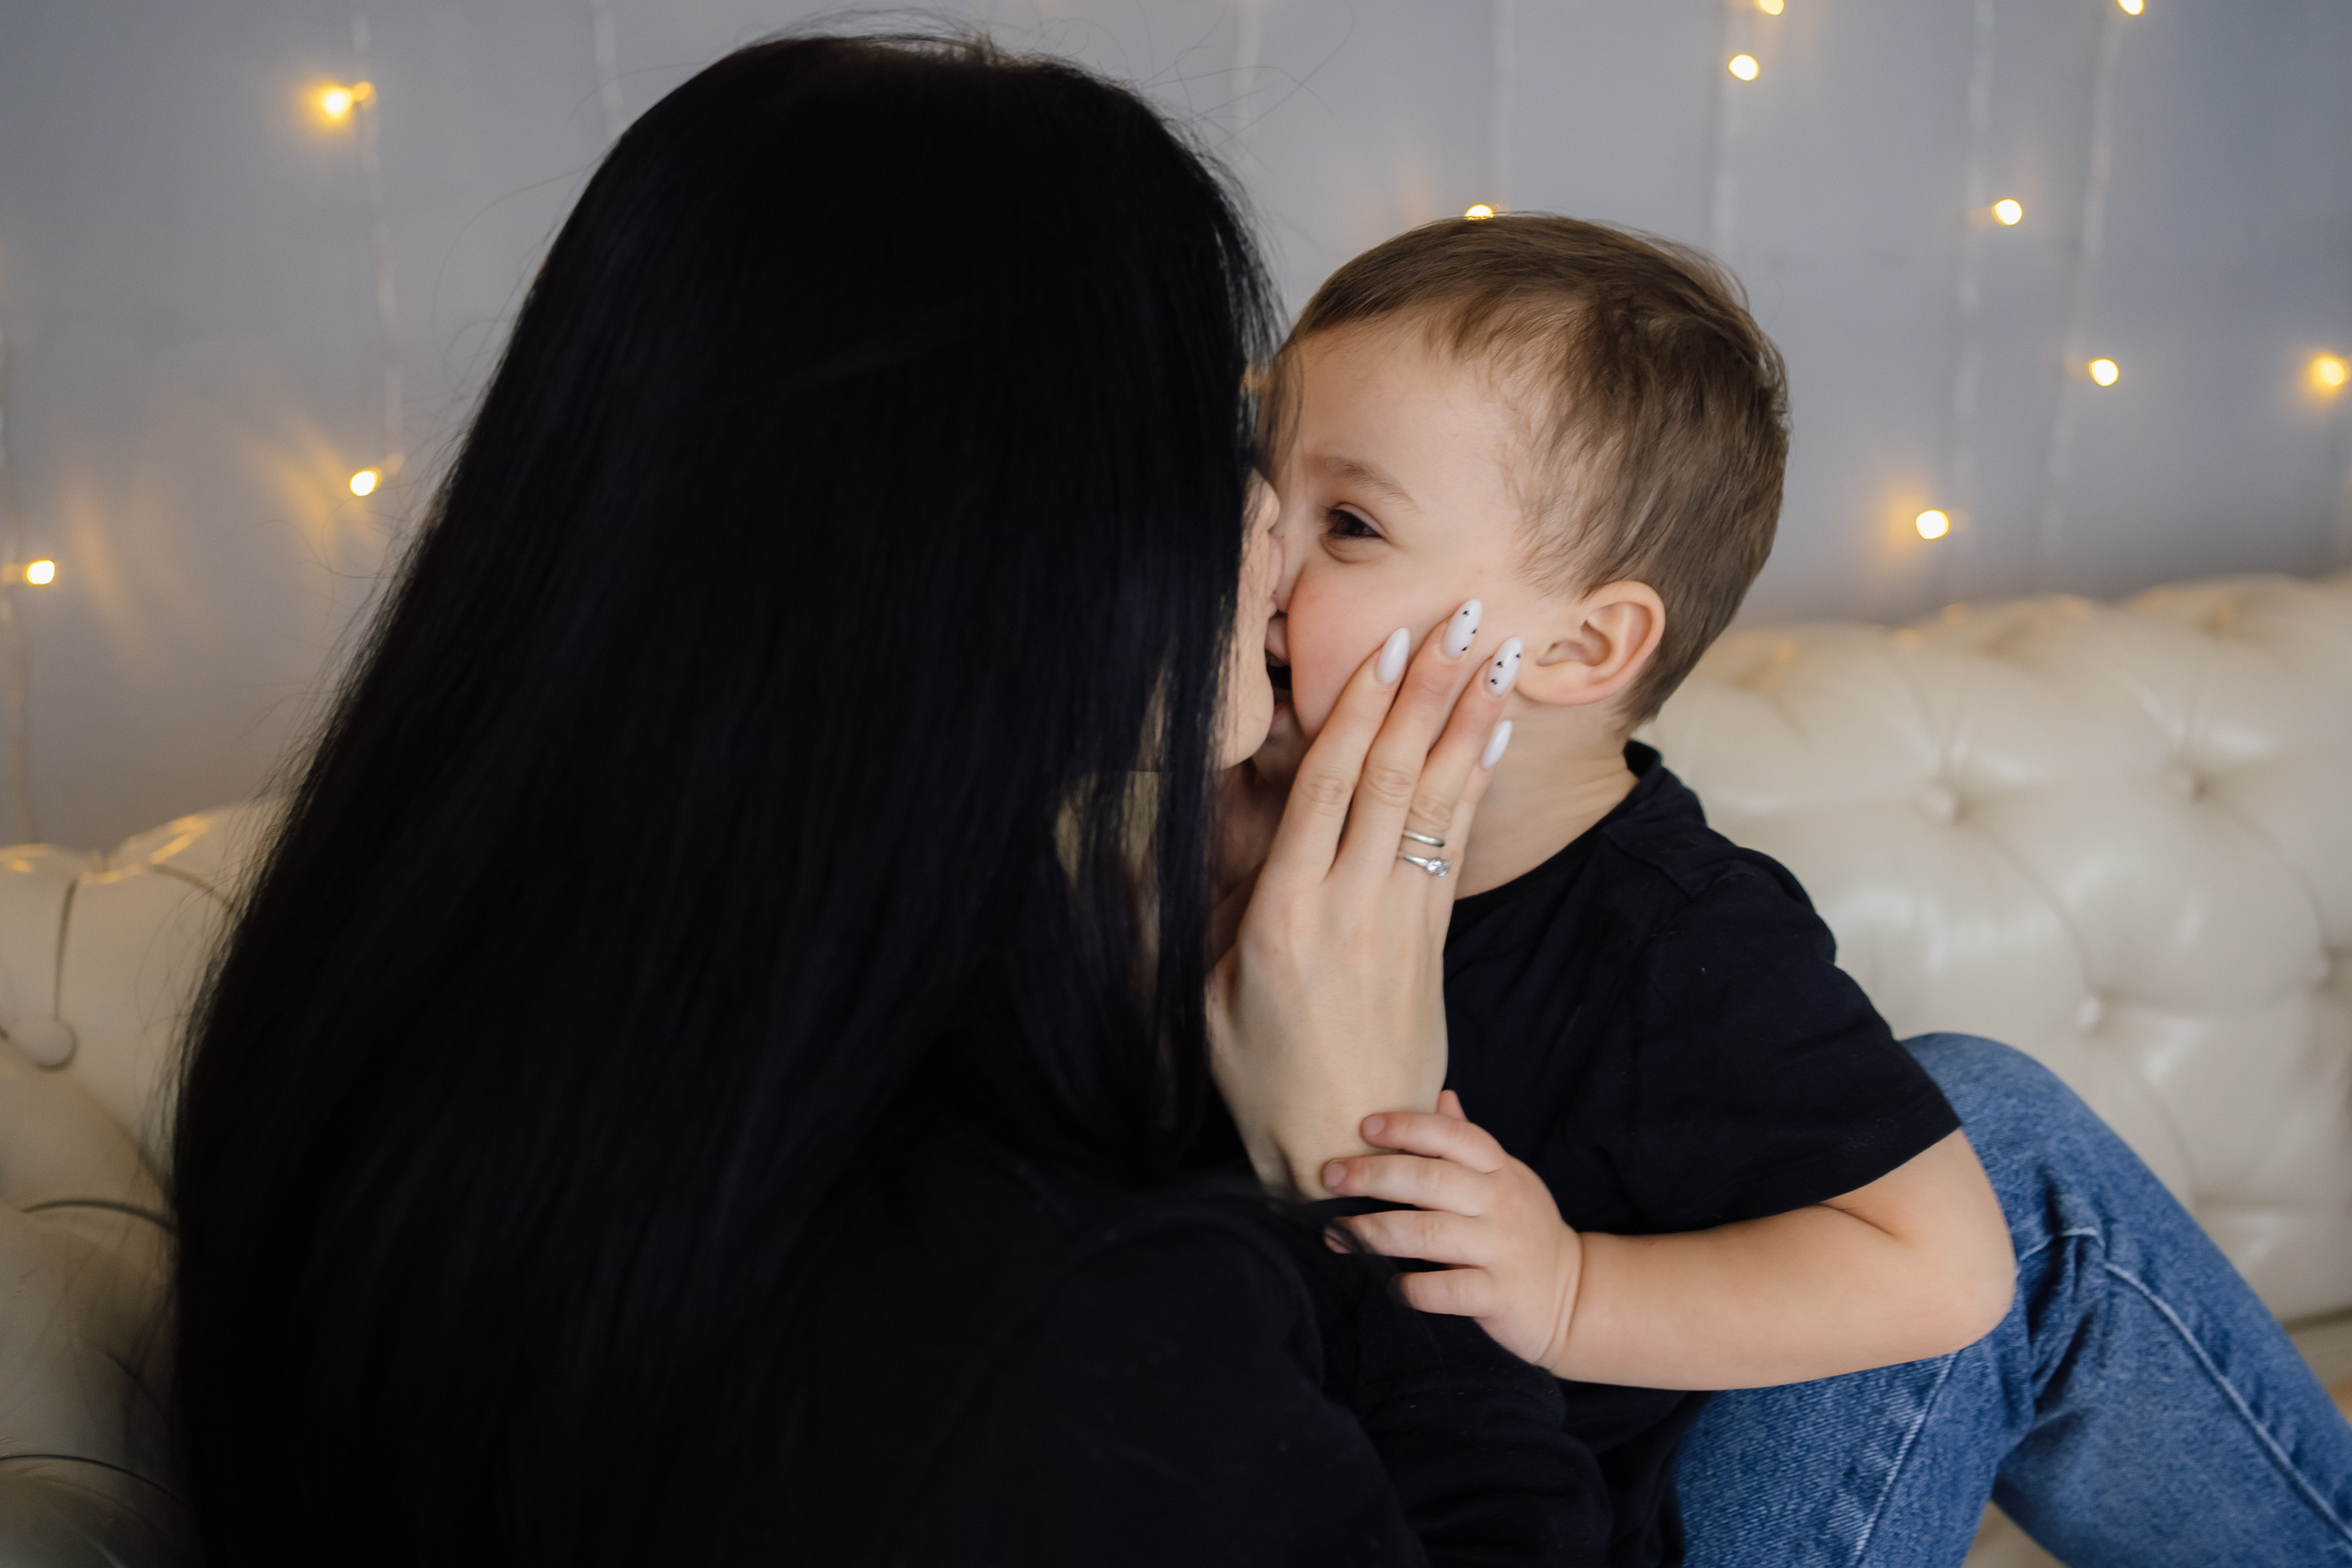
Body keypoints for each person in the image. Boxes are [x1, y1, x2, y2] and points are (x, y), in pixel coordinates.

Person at [167, 38, 1597, 1567]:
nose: (1262, 517)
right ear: (993, 534)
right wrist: (1367, 1191)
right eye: (1204, 440)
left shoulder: (428, 985)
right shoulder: (1053, 1326)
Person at [1249, 212, 2352, 1566]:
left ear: (1584, 644)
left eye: (1348, 524)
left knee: (1987, 1139)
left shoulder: (1675, 933)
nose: (1260, 564)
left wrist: (1575, 1290)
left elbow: (1942, 1269)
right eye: (1258, 496)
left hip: (1596, 1520)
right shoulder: (1211, 836)